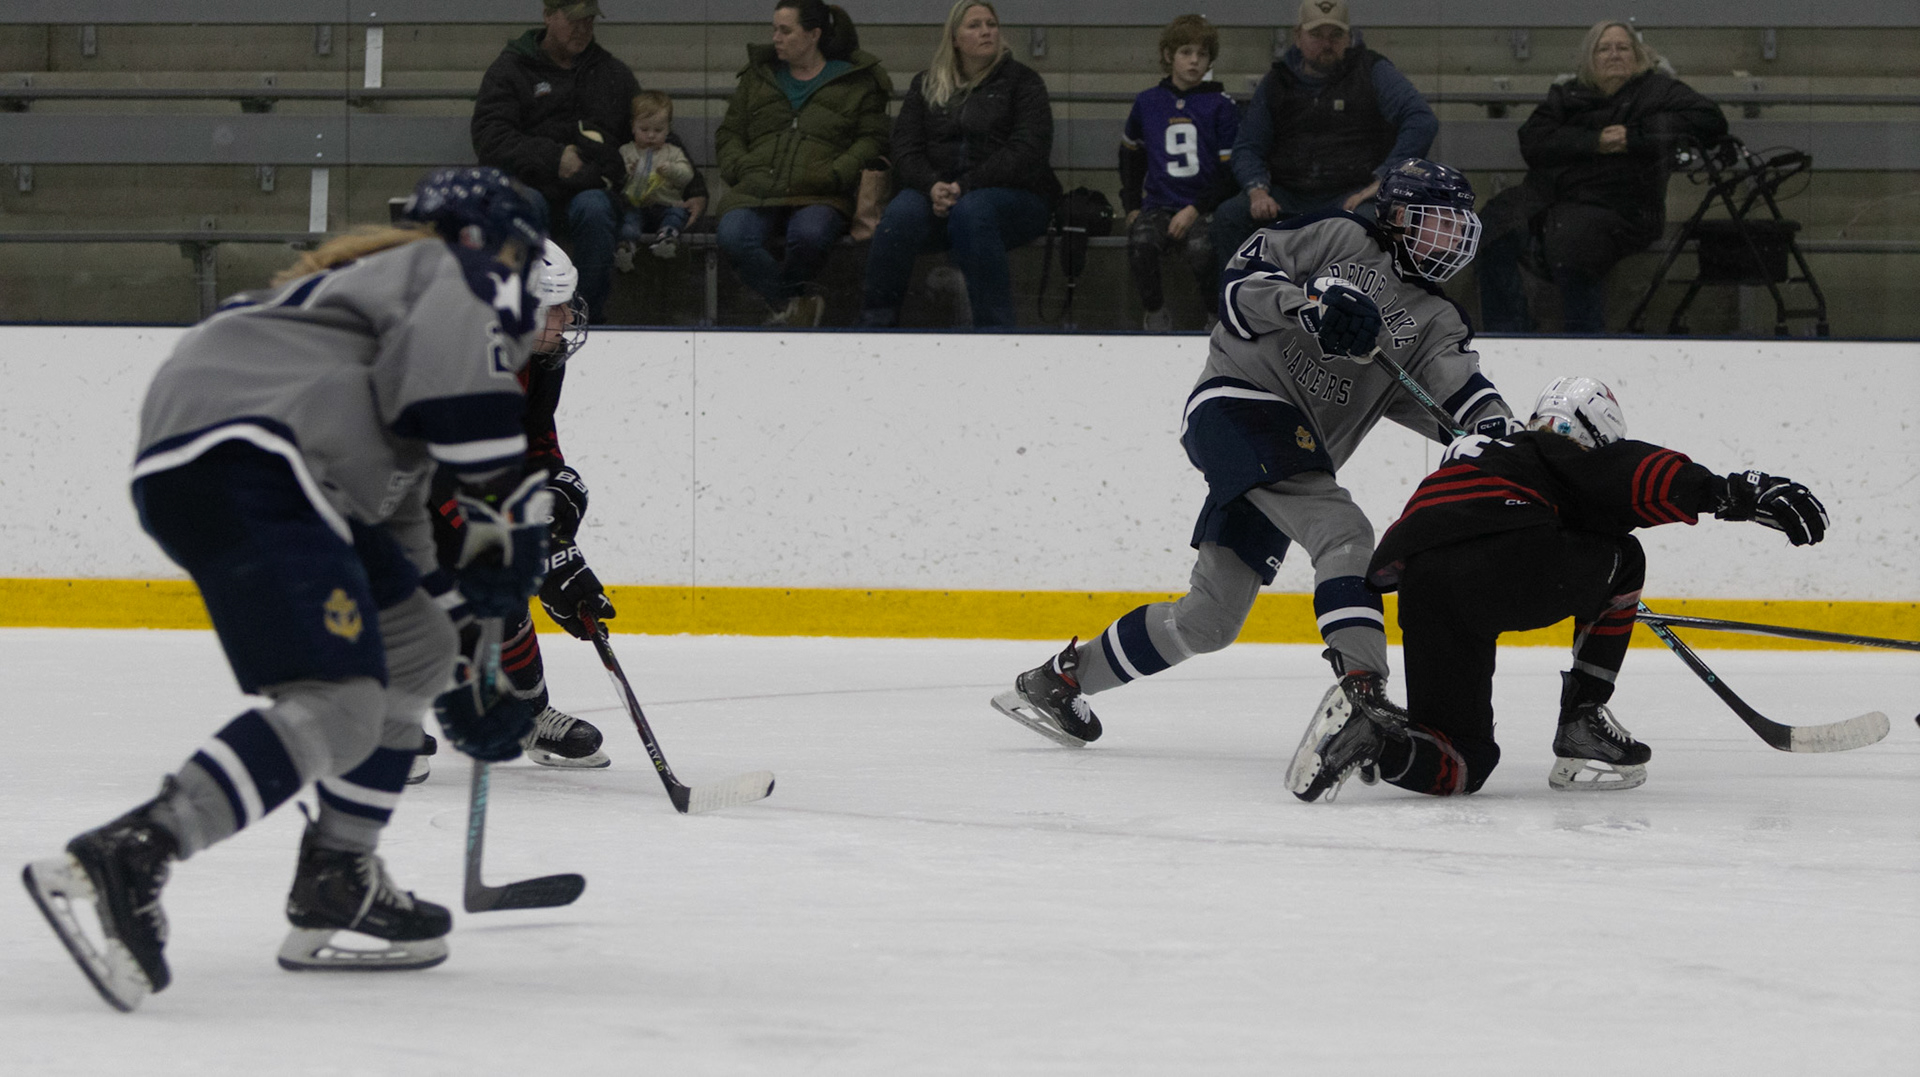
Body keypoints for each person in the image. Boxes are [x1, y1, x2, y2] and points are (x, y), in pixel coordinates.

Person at [22, 167, 556, 1011]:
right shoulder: (446, 270)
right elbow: (474, 427)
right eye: (522, 255)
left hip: (246, 465)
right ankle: (132, 849)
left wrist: (463, 661)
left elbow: (404, 534)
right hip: (256, 460)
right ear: (483, 239)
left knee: (416, 649)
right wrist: (502, 514)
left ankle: (337, 880)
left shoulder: (364, 313)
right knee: (341, 702)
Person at [992, 159, 1518, 750]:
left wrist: (1505, 434)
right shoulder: (1339, 234)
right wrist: (1309, 308)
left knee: (1210, 619)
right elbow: (1240, 285)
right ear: (1396, 215)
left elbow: (1462, 394)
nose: (1450, 238)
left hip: (1293, 454)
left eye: (1457, 227)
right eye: (1437, 222)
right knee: (1344, 532)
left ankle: (1061, 680)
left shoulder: (1438, 320)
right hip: (1238, 403)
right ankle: (1363, 692)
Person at [1287, 377, 1830, 803]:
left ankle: (1371, 739)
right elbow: (1635, 474)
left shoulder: (1491, 452)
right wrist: (1734, 493)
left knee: (1463, 759)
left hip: (1423, 583)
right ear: (1594, 432)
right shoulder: (1556, 451)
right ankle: (1582, 720)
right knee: (1624, 558)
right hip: (1498, 557)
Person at [414, 239, 616, 782]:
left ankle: (525, 716)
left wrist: (555, 513)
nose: (568, 318)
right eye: (555, 307)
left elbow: (535, 441)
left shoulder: (538, 357)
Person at [1476, 23, 1727, 334]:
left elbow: (1711, 120)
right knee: (1493, 226)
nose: (1614, 55)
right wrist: (1593, 141)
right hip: (1550, 196)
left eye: (1623, 48)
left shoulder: (1659, 90)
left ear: (1638, 55)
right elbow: (1533, 140)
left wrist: (1633, 137)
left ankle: (1585, 338)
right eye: (1604, 49)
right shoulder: (1568, 94)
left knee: (1573, 241)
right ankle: (1508, 333)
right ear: (1590, 59)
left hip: (1624, 205)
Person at [858, 0, 1061, 329]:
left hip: (1015, 197)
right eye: (975, 25)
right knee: (899, 215)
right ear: (954, 38)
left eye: (991, 24)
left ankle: (995, 330)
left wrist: (964, 186)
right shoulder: (926, 84)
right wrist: (932, 185)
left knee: (973, 211)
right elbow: (905, 149)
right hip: (937, 192)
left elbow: (1027, 151)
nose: (986, 32)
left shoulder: (1024, 82)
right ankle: (875, 326)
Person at [1210, 0, 1437, 277]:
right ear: (1298, 36)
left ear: (1349, 37)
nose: (1326, 44)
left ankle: (1364, 302)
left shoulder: (1372, 70)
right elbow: (1247, 147)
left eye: (1336, 35)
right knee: (1230, 216)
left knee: (1371, 222)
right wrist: (1257, 190)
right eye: (1317, 35)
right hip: (1287, 196)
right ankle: (1241, 301)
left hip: (1353, 194)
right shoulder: (1277, 81)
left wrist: (1385, 179)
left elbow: (1422, 120)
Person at [715, 0, 892, 328]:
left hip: (821, 190)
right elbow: (730, 133)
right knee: (734, 235)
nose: (776, 38)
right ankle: (794, 306)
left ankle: (787, 313)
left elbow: (872, 138)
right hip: (757, 186)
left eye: (785, 31)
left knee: (809, 236)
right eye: (774, 30)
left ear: (813, 35)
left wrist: (837, 172)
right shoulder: (758, 76)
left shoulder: (857, 82)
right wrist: (739, 167)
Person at [472, 0, 639, 324]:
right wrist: (553, 158)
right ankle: (525, 316)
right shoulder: (511, 69)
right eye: (574, 20)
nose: (583, 29)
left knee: (595, 209)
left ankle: (583, 317)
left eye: (589, 20)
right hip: (528, 183)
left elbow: (647, 128)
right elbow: (490, 138)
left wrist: (692, 188)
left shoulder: (611, 73)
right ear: (548, 16)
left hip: (590, 186)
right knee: (524, 207)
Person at [1119, 14, 1239, 332]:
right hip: (1159, 204)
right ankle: (1155, 314)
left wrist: (1195, 208)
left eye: (1202, 54)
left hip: (1204, 207)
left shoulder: (1222, 105)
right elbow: (1130, 158)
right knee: (1141, 242)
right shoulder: (1148, 102)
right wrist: (1131, 205)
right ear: (1169, 55)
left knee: (1203, 250)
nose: (1194, 61)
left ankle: (1214, 318)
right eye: (1186, 52)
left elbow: (1229, 172)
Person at [614, 90, 708, 270]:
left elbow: (687, 176)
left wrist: (671, 170)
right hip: (636, 205)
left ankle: (667, 238)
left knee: (677, 213)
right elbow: (617, 176)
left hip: (666, 204)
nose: (651, 135)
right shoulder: (626, 151)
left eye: (658, 130)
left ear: (668, 129)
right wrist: (629, 171)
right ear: (633, 127)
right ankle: (626, 247)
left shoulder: (673, 152)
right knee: (629, 220)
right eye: (644, 130)